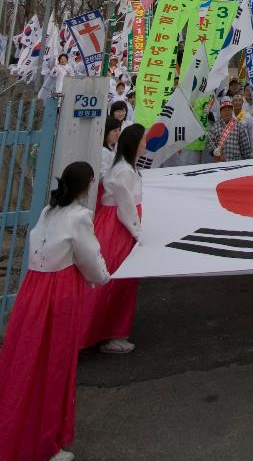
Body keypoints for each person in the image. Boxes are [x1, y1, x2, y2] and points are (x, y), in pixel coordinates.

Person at [0, 161, 110, 461]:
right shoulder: (80, 216)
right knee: (55, 366)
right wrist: (103, 276)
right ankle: (46, 443)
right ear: (89, 184)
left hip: (34, 288)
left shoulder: (48, 212)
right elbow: (91, 259)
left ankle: (20, 426)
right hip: (60, 293)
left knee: (24, 359)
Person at [81, 122, 146, 355]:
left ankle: (104, 331)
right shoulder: (124, 172)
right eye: (143, 140)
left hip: (116, 227)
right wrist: (138, 233)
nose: (145, 144)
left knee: (115, 282)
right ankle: (110, 333)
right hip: (118, 230)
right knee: (117, 282)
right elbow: (125, 208)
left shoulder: (125, 167)